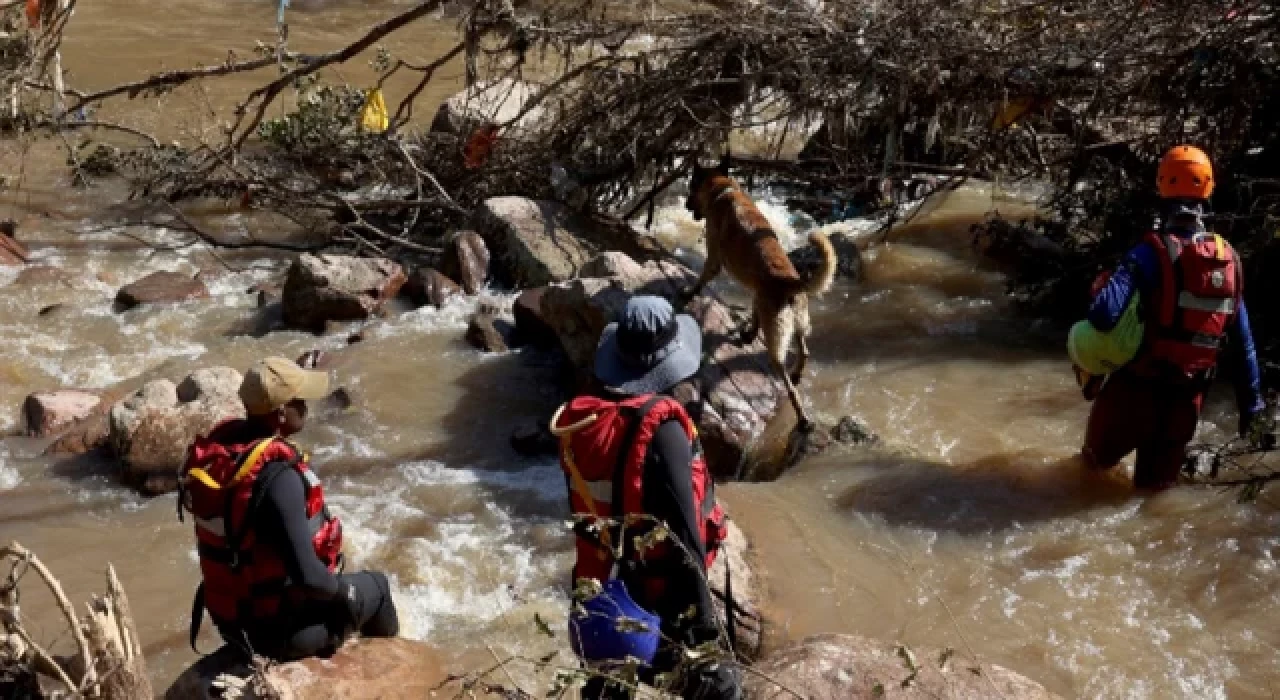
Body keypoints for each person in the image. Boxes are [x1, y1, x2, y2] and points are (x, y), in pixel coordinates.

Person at [550, 296, 741, 700]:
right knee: (722, 689)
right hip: (655, 599)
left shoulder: (583, 421)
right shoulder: (662, 430)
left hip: (600, 594)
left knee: (609, 689)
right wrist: (704, 630)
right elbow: (685, 537)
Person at [179, 356, 398, 661]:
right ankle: (392, 666)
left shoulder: (227, 457)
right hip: (281, 635)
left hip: (234, 625)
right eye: (300, 401)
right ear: (281, 412)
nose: (306, 407)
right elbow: (310, 579)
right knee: (378, 586)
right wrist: (345, 593)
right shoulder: (279, 478)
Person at [1081, 145, 1266, 490]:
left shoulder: (1147, 253)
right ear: (1208, 189)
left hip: (1132, 395)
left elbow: (1103, 316)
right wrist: (1251, 411)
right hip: (1184, 404)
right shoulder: (1229, 261)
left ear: (1161, 187)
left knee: (1086, 478)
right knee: (1153, 498)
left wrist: (1100, 287)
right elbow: (1245, 348)